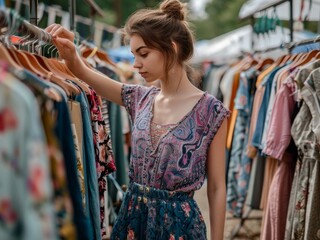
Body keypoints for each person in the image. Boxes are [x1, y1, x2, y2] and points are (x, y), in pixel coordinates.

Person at [46, 0, 229, 239]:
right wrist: (71, 53)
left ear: (171, 48)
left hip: (179, 228)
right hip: (133, 220)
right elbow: (86, 74)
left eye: (143, 54)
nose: (136, 64)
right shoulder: (139, 98)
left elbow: (216, 188)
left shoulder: (212, 112)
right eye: (134, 55)